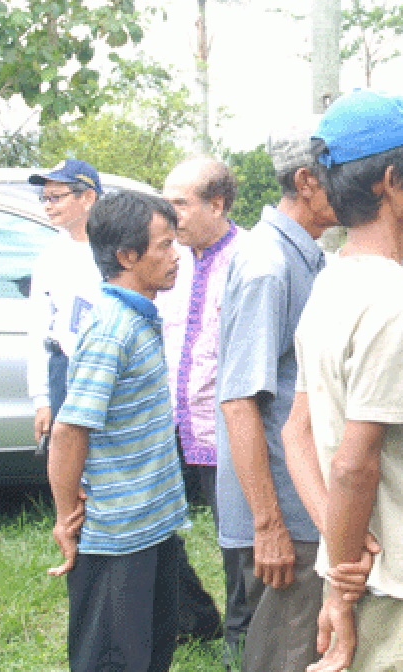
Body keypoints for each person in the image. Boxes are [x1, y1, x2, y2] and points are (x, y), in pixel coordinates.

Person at [282, 89, 403, 672]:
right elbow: (352, 462)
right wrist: (340, 591)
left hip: (366, 572)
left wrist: (336, 561)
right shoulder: (396, 300)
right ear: (388, 180)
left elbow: (298, 433)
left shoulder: (332, 283)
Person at [47, 190, 189, 672]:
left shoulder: (140, 316)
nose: (176, 257)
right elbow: (69, 432)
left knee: (152, 655)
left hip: (153, 527)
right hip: (116, 540)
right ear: (127, 256)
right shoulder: (112, 329)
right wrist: (67, 519)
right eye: (164, 245)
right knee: (114, 661)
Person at [215, 133, 339, 670]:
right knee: (285, 654)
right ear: (307, 183)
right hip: (285, 515)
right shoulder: (269, 264)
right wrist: (268, 525)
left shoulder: (305, 257)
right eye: (344, 177)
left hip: (302, 504)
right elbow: (239, 402)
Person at [159, 156, 240, 645]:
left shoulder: (250, 259)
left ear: (217, 203)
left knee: (236, 539)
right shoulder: (168, 257)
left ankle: (242, 636)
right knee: (157, 527)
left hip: (225, 426)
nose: (172, 216)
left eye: (180, 204)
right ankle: (192, 618)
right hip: (168, 419)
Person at [27, 160, 103, 449]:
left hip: (106, 368)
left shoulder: (115, 251)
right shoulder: (50, 256)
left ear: (88, 197)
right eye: (44, 198)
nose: (48, 205)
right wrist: (42, 399)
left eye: (56, 197)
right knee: (70, 461)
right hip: (66, 370)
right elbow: (38, 329)